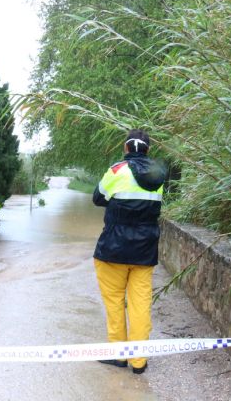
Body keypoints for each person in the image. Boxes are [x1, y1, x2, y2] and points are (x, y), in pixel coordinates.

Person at [92, 128, 166, 375]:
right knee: (140, 305)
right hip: (144, 251)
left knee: (114, 303)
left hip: (113, 248)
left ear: (126, 148)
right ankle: (139, 361)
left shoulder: (117, 170)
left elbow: (98, 198)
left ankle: (119, 356)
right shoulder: (158, 176)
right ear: (148, 149)